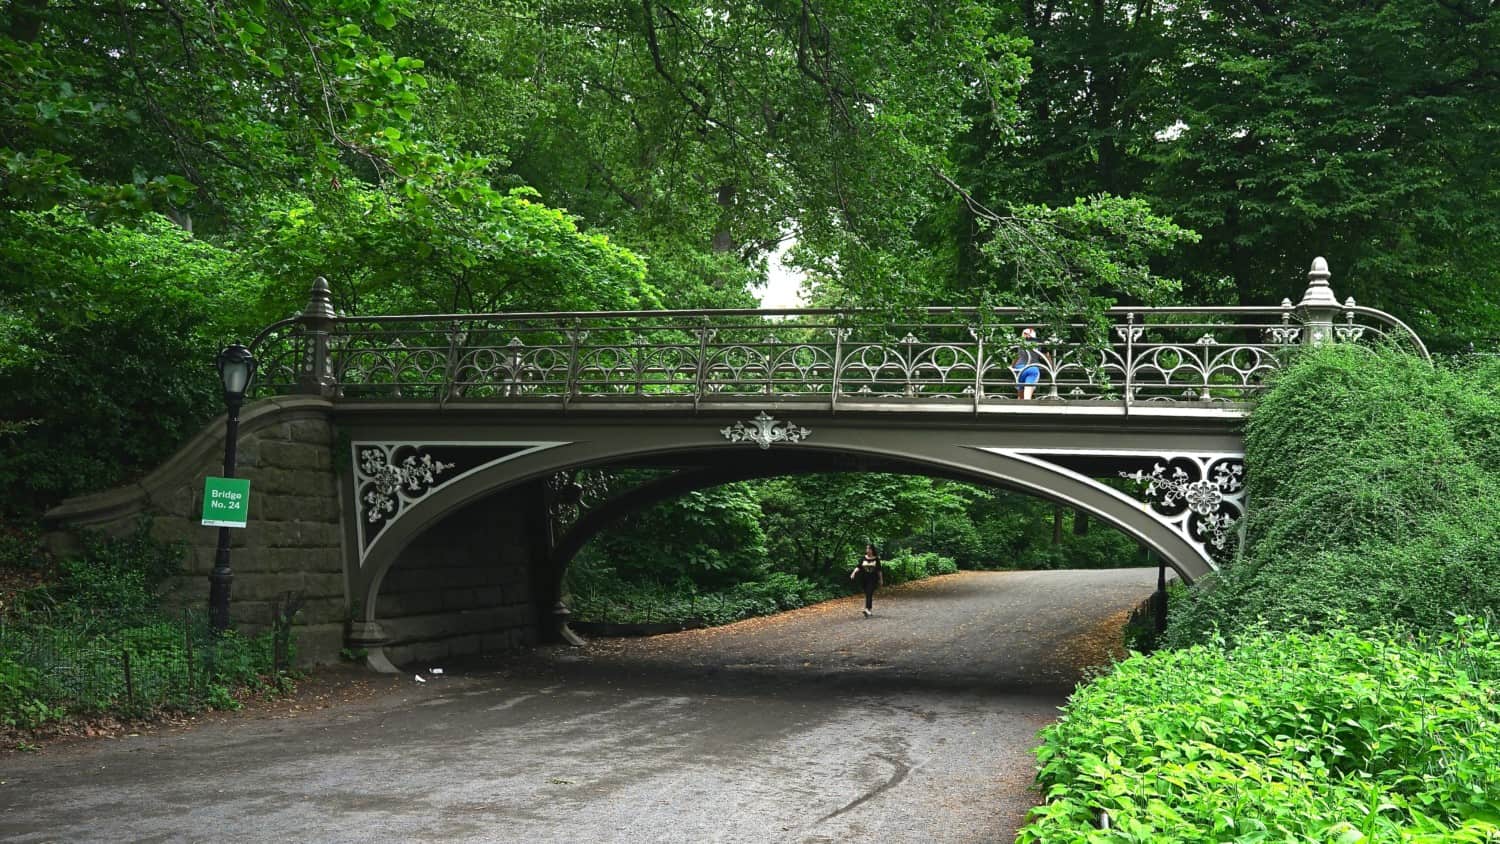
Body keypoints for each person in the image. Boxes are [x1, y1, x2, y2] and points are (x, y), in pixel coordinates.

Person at [849, 544, 882, 617]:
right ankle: (869, 611)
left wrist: (881, 580)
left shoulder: (876, 559)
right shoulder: (863, 558)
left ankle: (867, 609)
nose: (867, 550)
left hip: (873, 579)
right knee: (867, 593)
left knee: (869, 592)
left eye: (869, 549)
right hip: (864, 578)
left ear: (872, 550)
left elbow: (879, 570)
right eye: (867, 549)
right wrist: (853, 573)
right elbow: (858, 567)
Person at [1012, 327, 1044, 400]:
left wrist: (1012, 366)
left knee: (1020, 397)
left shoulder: (1019, 343)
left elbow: (1015, 358)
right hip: (1033, 368)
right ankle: (1027, 407)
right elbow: (1046, 357)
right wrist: (1051, 367)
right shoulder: (1039, 343)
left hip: (1019, 369)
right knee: (1027, 396)